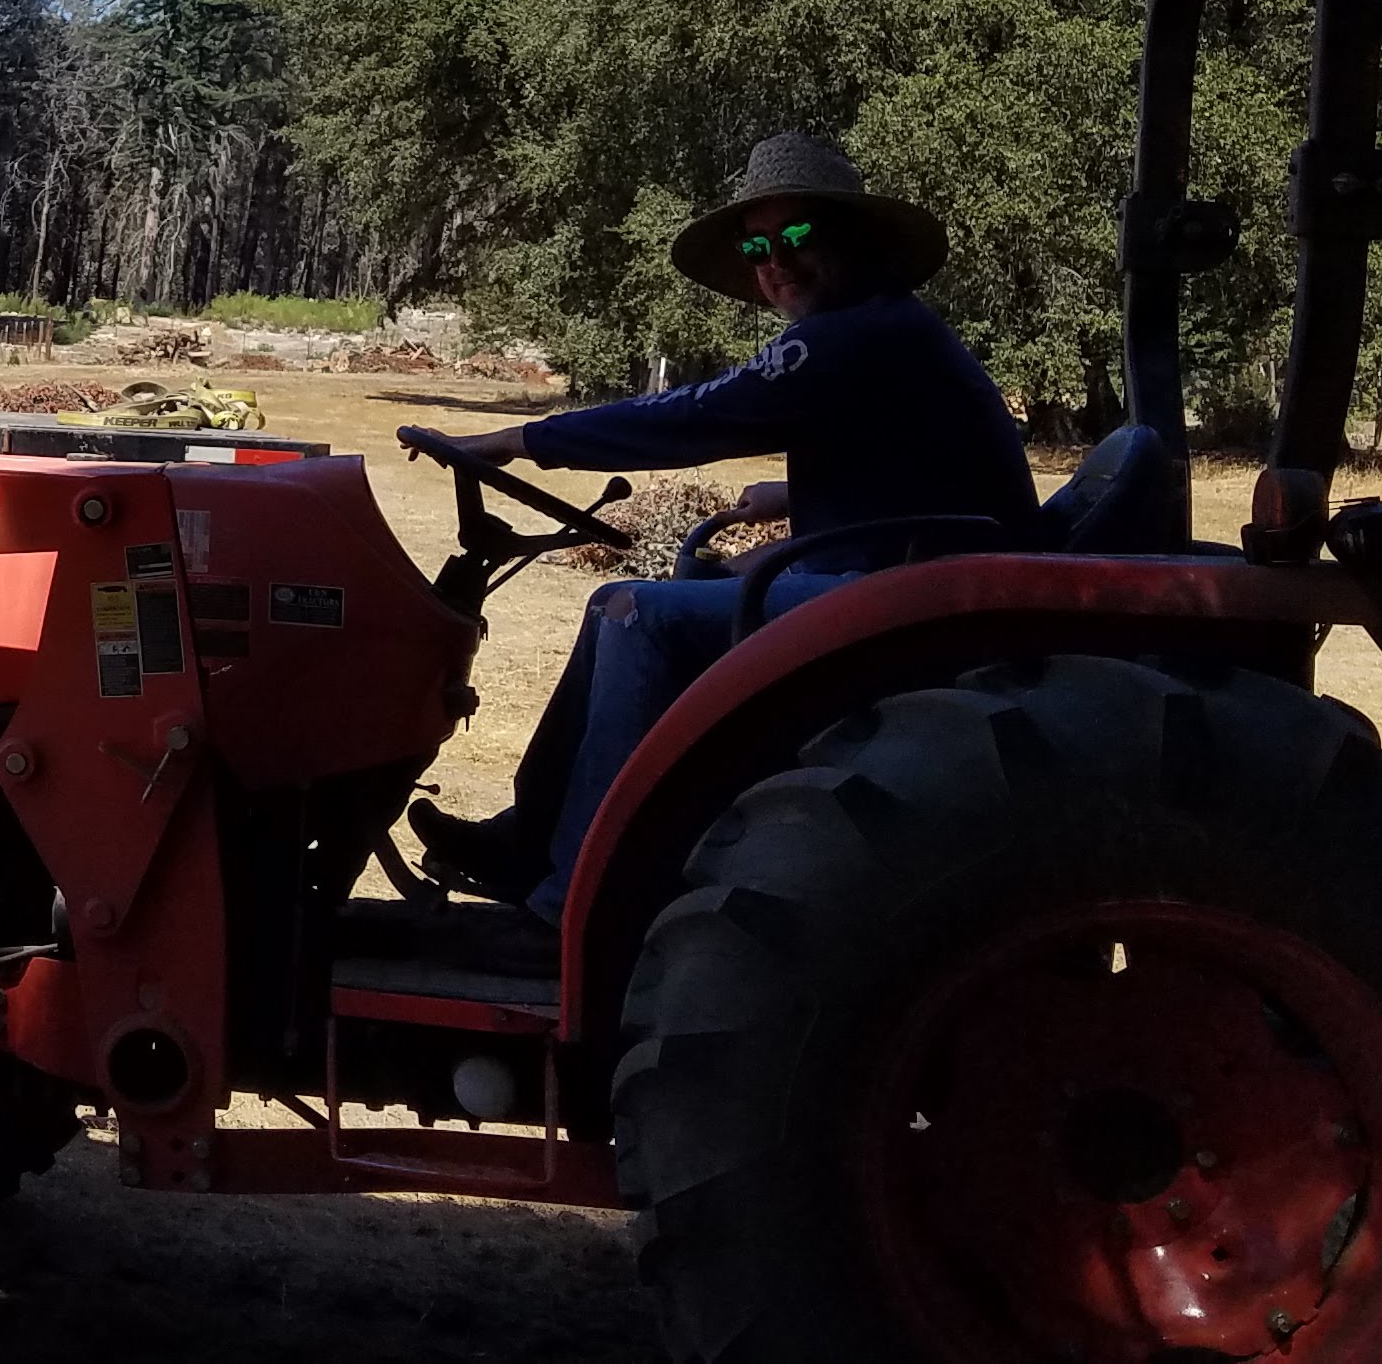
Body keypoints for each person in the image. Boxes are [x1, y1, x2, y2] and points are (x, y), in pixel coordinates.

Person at [409, 131, 1038, 915]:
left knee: (634, 614)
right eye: (759, 246)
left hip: (920, 599)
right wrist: (796, 502)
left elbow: (691, 416)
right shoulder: (884, 332)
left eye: (799, 235)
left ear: (854, 237)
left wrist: (519, 440)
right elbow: (907, 468)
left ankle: (570, 903)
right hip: (900, 568)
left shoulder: (858, 335)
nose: (776, 258)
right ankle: (532, 838)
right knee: (640, 603)